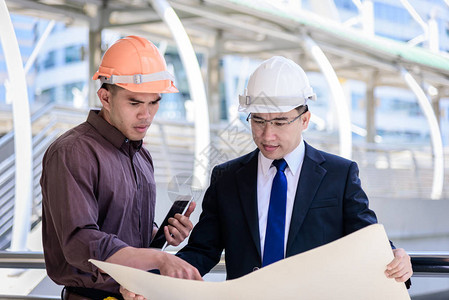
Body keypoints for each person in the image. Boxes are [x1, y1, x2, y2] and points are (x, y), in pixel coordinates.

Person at [175, 56, 413, 282]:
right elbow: (202, 251)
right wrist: (153, 278)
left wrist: (394, 255)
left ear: (305, 120)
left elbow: (366, 240)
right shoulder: (226, 178)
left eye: (279, 122)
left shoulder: (339, 176)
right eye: (258, 121)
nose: (267, 135)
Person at [40, 35, 201, 300]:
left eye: (154, 102)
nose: (146, 115)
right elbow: (81, 242)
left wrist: (160, 236)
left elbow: (127, 234)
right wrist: (157, 260)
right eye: (135, 102)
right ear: (105, 97)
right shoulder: (73, 152)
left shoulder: (141, 156)